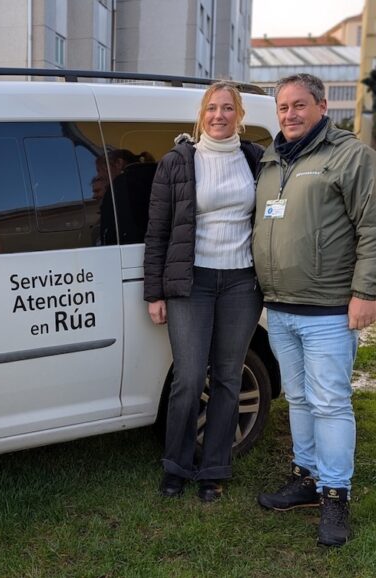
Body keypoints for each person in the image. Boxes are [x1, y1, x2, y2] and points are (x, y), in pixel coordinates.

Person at [252, 73, 376, 547]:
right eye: (282, 107)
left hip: (327, 310)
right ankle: (306, 479)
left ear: (322, 106)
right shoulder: (270, 160)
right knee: (299, 400)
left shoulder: (349, 155)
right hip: (280, 308)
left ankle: (336, 496)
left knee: (330, 403)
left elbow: (371, 227)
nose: (289, 114)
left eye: (299, 105)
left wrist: (366, 293)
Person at [143, 82, 264, 502]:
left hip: (241, 284)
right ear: (201, 113)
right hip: (191, 282)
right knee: (189, 378)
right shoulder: (179, 161)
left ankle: (213, 470)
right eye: (212, 108)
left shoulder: (255, 160)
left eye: (227, 108)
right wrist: (154, 293)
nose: (219, 115)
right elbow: (156, 231)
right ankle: (175, 467)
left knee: (228, 378)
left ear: (239, 115)